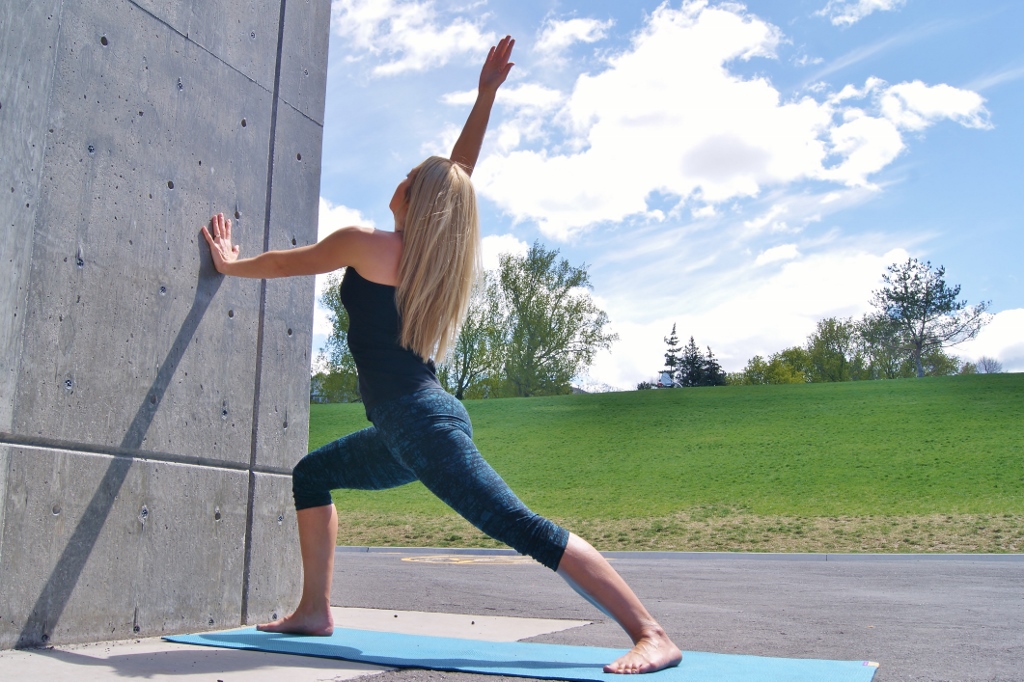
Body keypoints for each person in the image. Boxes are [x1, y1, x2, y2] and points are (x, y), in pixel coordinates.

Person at [201, 36, 681, 675]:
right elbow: (458, 177)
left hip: (421, 425)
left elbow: (290, 264)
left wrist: (229, 267)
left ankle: (651, 632)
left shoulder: (368, 243)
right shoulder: (427, 256)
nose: (399, 181)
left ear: (419, 200)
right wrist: (484, 99)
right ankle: (314, 610)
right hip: (404, 428)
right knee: (311, 474)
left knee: (522, 527)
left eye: (409, 179)